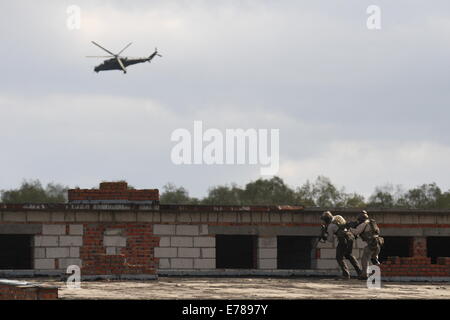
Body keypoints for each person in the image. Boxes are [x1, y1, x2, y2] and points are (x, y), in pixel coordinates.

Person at [320, 211, 362, 280]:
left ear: (327, 220)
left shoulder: (330, 226)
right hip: (350, 237)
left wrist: (325, 235)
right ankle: (360, 272)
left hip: (343, 239)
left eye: (324, 220)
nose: (323, 222)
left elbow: (330, 240)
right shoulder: (338, 217)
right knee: (349, 255)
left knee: (339, 257)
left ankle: (346, 275)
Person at [348, 211, 384, 280]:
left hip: (371, 244)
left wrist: (349, 228)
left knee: (364, 259)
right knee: (374, 259)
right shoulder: (372, 223)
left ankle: (364, 275)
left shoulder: (364, 224)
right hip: (377, 244)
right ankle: (379, 274)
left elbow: (356, 232)